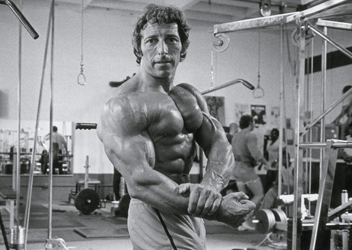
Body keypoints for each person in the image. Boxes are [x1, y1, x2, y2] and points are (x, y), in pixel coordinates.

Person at [97, 4, 255, 249]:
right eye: (151, 41)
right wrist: (217, 209)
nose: (162, 50)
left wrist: (210, 190)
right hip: (155, 209)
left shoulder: (189, 95)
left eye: (171, 39)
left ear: (182, 48)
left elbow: (219, 143)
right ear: (139, 48)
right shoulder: (123, 106)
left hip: (191, 205)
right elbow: (141, 182)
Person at [231, 115, 270, 231]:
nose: (254, 124)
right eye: (253, 122)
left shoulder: (235, 136)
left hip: (236, 169)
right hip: (246, 169)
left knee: (244, 197)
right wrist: (266, 163)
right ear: (250, 123)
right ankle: (244, 218)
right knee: (259, 194)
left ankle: (242, 223)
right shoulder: (250, 136)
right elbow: (256, 154)